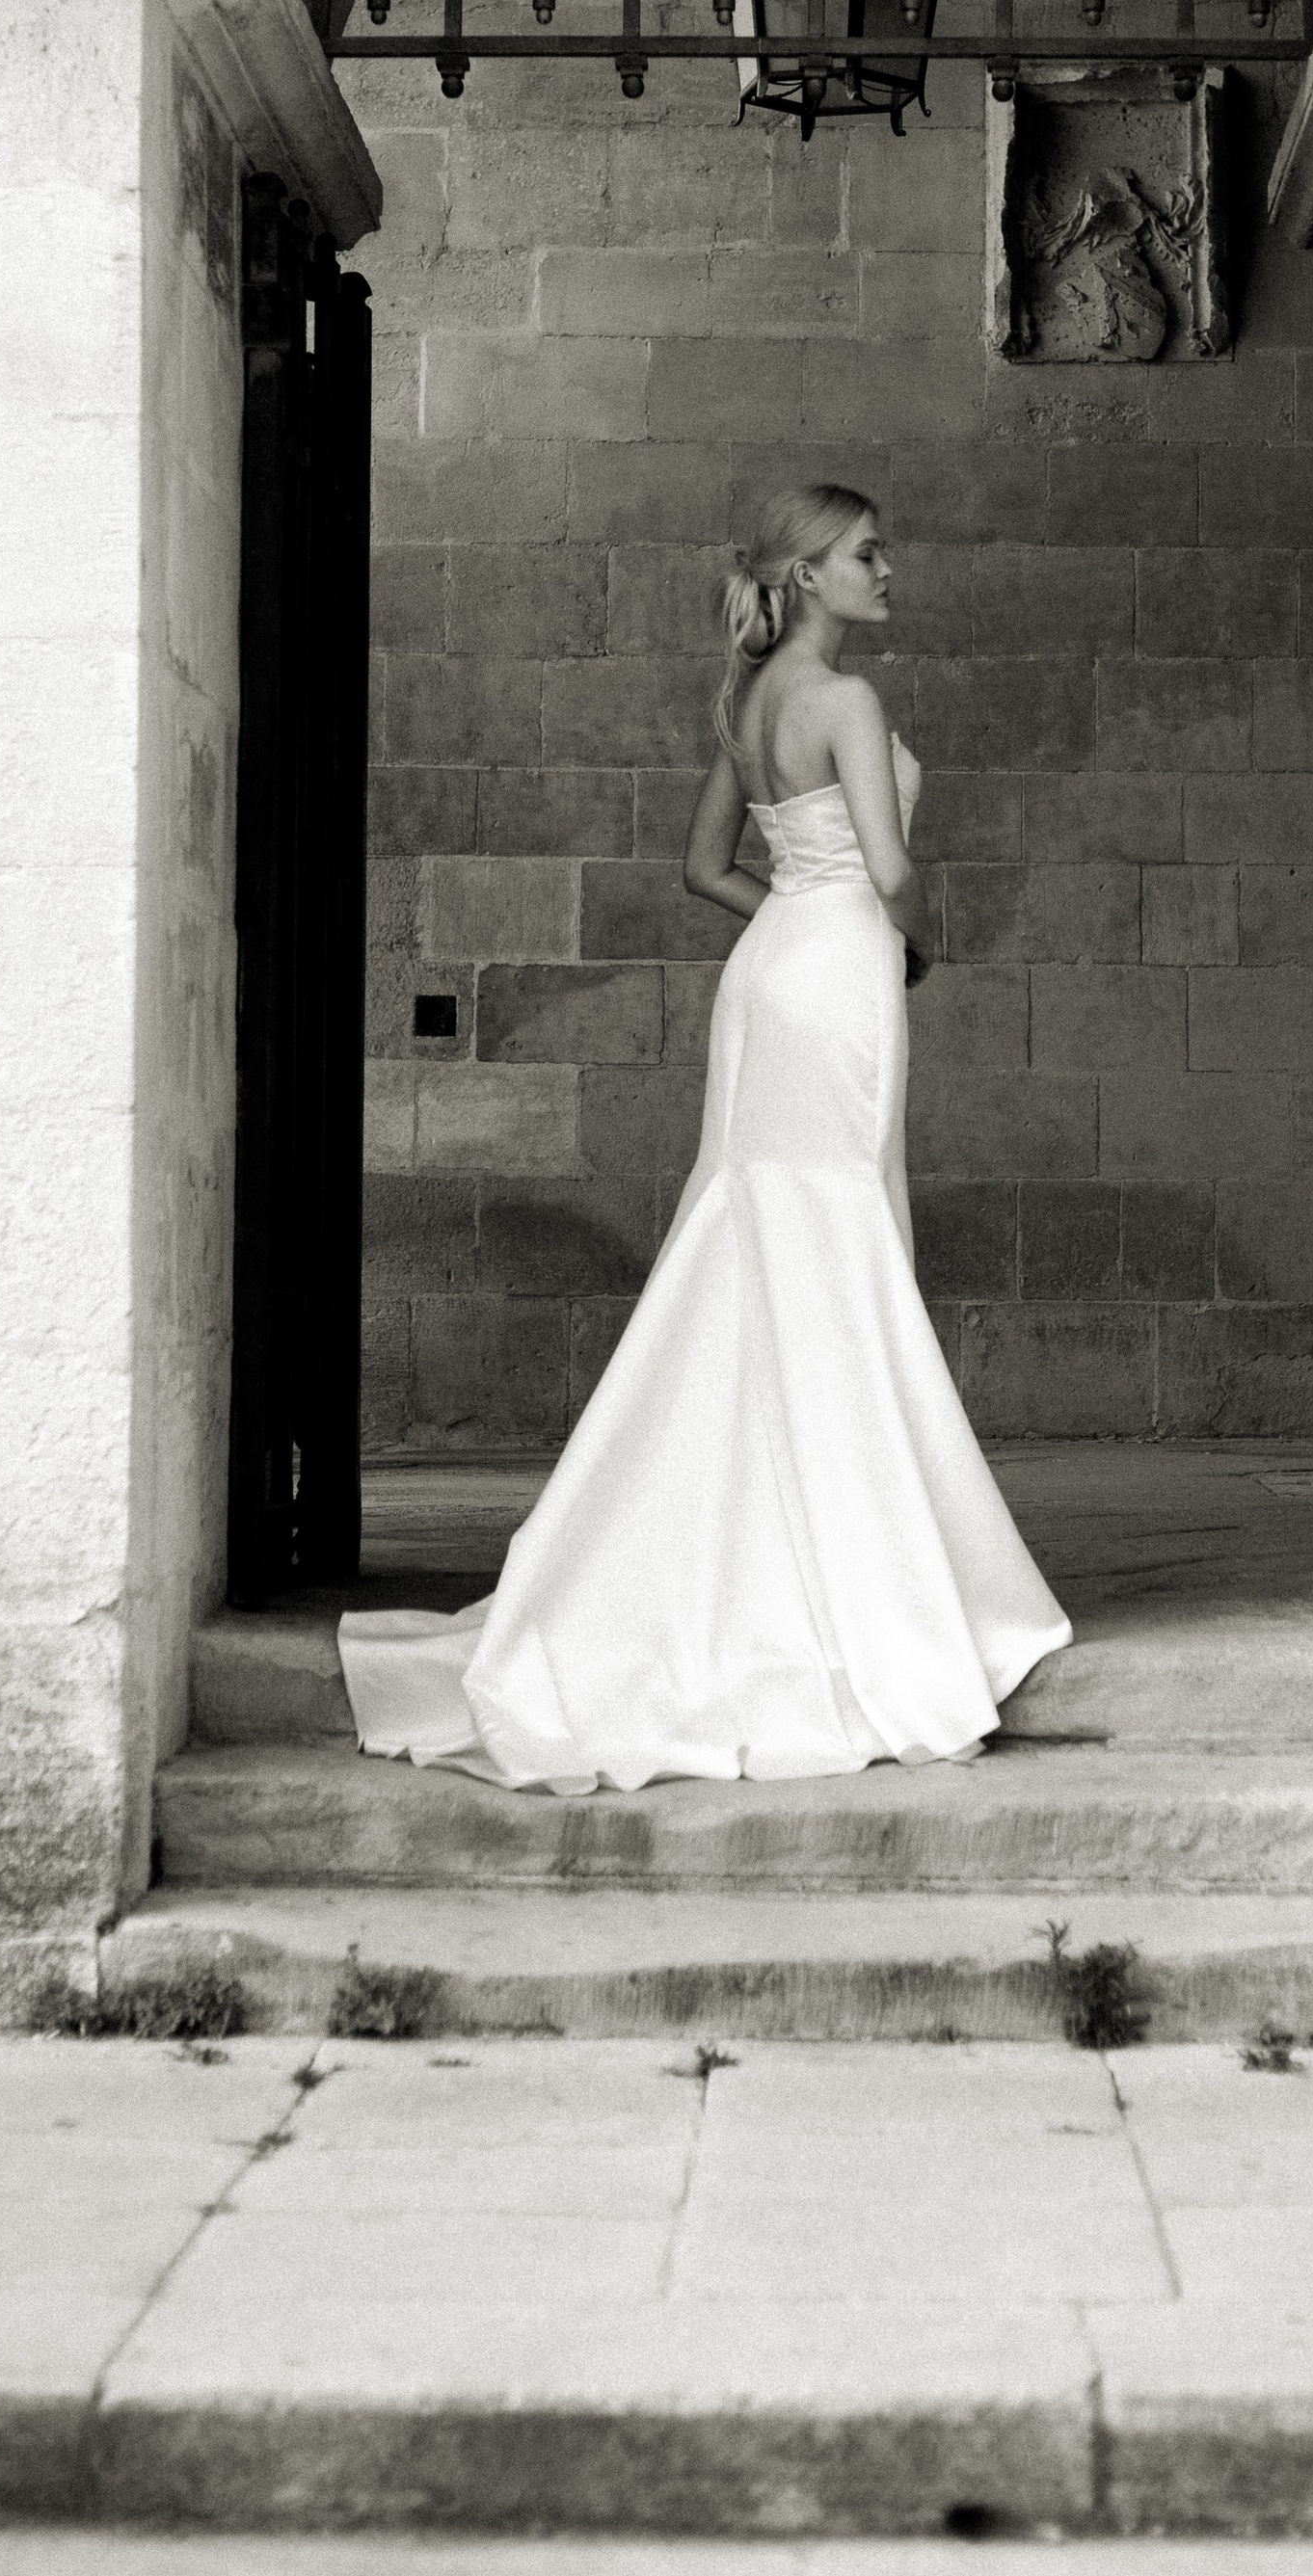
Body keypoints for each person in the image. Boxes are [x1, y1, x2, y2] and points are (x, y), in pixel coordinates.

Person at [335, 480, 1070, 1791]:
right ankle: (857, 1573)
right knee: (834, 1234)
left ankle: (746, 1543)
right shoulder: (845, 701)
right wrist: (917, 942)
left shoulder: (746, 704)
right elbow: (894, 872)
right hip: (837, 976)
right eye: (863, 554)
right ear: (804, 575)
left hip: (774, 967)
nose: (886, 569)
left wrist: (804, 906)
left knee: (758, 1235)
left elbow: (702, 869)